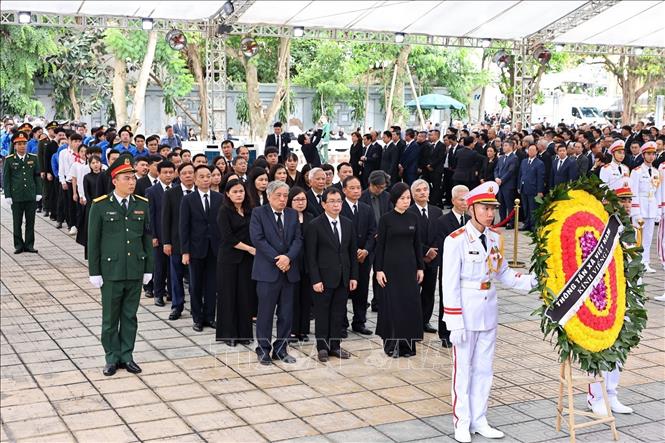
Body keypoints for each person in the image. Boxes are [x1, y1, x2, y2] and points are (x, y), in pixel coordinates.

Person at [441, 181, 536, 443]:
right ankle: (461, 421)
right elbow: (448, 283)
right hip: (465, 313)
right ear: (471, 208)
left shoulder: (494, 238)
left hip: (488, 311)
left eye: (493, 208)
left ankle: (479, 418)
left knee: (484, 368)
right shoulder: (456, 240)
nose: (490, 213)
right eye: (485, 208)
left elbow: (502, 272)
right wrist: (454, 320)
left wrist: (533, 281)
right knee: (462, 370)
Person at [87, 154, 153, 376]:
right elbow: (93, 242)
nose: (132, 182)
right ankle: (111, 357)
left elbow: (147, 238)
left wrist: (148, 268)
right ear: (115, 181)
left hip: (134, 268)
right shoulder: (100, 206)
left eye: (133, 177)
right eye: (127, 178)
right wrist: (94, 271)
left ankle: (127, 355)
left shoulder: (142, 205)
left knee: (129, 317)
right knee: (110, 319)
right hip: (111, 271)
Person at [586, 178, 635, 416]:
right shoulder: (602, 226)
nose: (626, 205)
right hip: (602, 293)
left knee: (620, 345)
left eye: (629, 200)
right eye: (622, 200)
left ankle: (612, 393)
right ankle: (595, 396)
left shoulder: (630, 227)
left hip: (624, 293)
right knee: (599, 346)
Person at [250, 181, 303, 365]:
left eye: (285, 196)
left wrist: (288, 258)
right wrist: (278, 259)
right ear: (269, 196)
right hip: (267, 272)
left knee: (286, 314)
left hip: (289, 271)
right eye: (278, 196)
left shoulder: (292, 214)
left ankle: (281, 349)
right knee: (265, 313)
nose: (282, 199)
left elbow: (298, 239)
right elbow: (258, 239)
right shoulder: (259, 213)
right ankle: (263, 350)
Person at [306, 187, 358, 362]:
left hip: (343, 277)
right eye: (332, 202)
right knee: (322, 313)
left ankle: (335, 345)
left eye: (339, 201)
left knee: (338, 312)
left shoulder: (348, 223)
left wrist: (353, 277)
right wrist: (315, 279)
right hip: (323, 278)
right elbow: (310, 256)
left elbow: (352, 253)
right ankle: (322, 347)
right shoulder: (315, 225)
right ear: (323, 204)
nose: (336, 205)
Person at [375, 182, 424, 357]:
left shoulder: (413, 218)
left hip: (409, 268)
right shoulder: (386, 219)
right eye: (402, 198)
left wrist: (420, 267)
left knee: (409, 306)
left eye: (408, 198)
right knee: (392, 306)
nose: (405, 201)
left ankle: (407, 345)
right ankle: (391, 346)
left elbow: (417, 244)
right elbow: (380, 246)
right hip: (390, 269)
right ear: (395, 199)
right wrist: (378, 270)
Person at [180, 165, 222, 332]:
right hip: (196, 249)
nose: (206, 179)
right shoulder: (188, 199)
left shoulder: (219, 198)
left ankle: (210, 316)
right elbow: (184, 226)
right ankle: (197, 318)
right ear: (195, 180)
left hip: (215, 249)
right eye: (202, 176)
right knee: (196, 285)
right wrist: (185, 251)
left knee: (212, 285)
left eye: (208, 176)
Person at [216, 179, 256, 346]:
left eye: (241, 191)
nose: (239, 194)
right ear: (228, 194)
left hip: (247, 260)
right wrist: (250, 249)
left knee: (245, 295)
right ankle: (229, 335)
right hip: (229, 259)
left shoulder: (250, 210)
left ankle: (244, 333)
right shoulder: (224, 211)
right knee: (228, 296)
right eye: (235, 192)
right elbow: (228, 238)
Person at [434, 184, 469, 347]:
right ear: (453, 200)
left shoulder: (470, 220)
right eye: (462, 199)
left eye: (467, 199)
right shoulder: (442, 221)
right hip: (450, 268)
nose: (465, 203)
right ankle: (445, 333)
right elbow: (442, 246)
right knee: (447, 299)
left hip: (468, 267)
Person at [341, 176, 376, 336]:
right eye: (352, 188)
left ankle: (359, 322)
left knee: (362, 291)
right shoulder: (339, 208)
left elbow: (372, 232)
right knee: (343, 290)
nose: (356, 191)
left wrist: (366, 250)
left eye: (358, 187)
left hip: (363, 257)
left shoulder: (366, 208)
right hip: (345, 257)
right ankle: (341, 323)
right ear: (344, 190)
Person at [162, 163, 196, 320]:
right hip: (176, 243)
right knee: (176, 277)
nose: (188, 175)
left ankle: (197, 306)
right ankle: (177, 306)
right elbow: (165, 219)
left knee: (195, 278)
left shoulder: (200, 193)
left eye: (191, 172)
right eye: (185, 173)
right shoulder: (171, 193)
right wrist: (166, 242)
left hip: (196, 243)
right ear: (179, 175)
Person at [408, 179, 443, 334]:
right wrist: (425, 251)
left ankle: (425, 321)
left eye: (425, 189)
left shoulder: (437, 211)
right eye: (418, 190)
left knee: (429, 291)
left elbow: (439, 233)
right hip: (415, 259)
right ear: (412, 194)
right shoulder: (408, 212)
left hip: (433, 258)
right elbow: (410, 238)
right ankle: (413, 321)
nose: (422, 192)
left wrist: (433, 251)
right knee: (414, 292)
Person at [360, 170, 393, 312]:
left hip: (382, 239)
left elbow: (390, 215)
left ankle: (378, 301)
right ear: (371, 184)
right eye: (378, 187)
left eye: (383, 187)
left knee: (381, 271)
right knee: (365, 273)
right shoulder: (362, 197)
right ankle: (362, 302)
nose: (380, 190)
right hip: (367, 241)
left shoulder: (387, 197)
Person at [3, 131, 41, 254]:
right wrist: (8, 195)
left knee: (30, 222)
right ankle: (19, 245)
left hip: (30, 195)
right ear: (14, 146)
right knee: (17, 222)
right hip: (17, 196)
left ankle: (29, 245)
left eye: (24, 143)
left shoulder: (33, 158)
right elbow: (6, 179)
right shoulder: (9, 160)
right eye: (19, 144)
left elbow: (37, 177)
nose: (22, 146)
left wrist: (38, 192)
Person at [146, 160, 176, 307]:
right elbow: (150, 215)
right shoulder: (151, 191)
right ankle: (158, 293)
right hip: (159, 235)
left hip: (175, 235)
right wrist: (153, 236)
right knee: (159, 266)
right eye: (165, 172)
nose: (168, 175)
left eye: (171, 172)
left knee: (174, 267)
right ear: (159, 173)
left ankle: (172, 292)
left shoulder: (177, 189)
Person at [287, 186, 314, 342]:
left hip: (308, 263)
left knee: (305, 297)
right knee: (292, 298)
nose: (300, 202)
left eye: (303, 199)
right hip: (292, 262)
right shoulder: (287, 217)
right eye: (296, 199)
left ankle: (303, 330)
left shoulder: (311, 217)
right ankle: (291, 330)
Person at [629, 141, 660, 273]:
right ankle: (636, 261)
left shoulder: (656, 172)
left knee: (648, 237)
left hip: (651, 207)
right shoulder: (636, 171)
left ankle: (646, 262)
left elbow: (657, 192)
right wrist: (635, 212)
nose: (651, 156)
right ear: (643, 155)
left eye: (653, 154)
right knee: (638, 238)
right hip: (640, 207)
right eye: (648, 154)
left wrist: (658, 210)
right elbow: (633, 192)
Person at [518, 144, 545, 232]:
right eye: (529, 150)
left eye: (533, 150)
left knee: (533, 208)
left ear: (536, 152)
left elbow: (540, 178)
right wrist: (519, 186)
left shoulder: (539, 163)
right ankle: (527, 223)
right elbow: (520, 174)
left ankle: (533, 225)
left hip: (533, 189)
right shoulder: (524, 161)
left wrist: (540, 191)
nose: (531, 152)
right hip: (523, 187)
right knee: (525, 207)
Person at [494, 140, 519, 228]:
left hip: (508, 185)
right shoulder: (501, 158)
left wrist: (502, 180)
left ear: (511, 147)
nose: (503, 147)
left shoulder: (514, 158)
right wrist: (496, 178)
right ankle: (503, 220)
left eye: (505, 145)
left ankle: (511, 222)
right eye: (503, 145)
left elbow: (510, 171)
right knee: (501, 204)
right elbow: (496, 169)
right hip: (500, 184)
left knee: (509, 204)